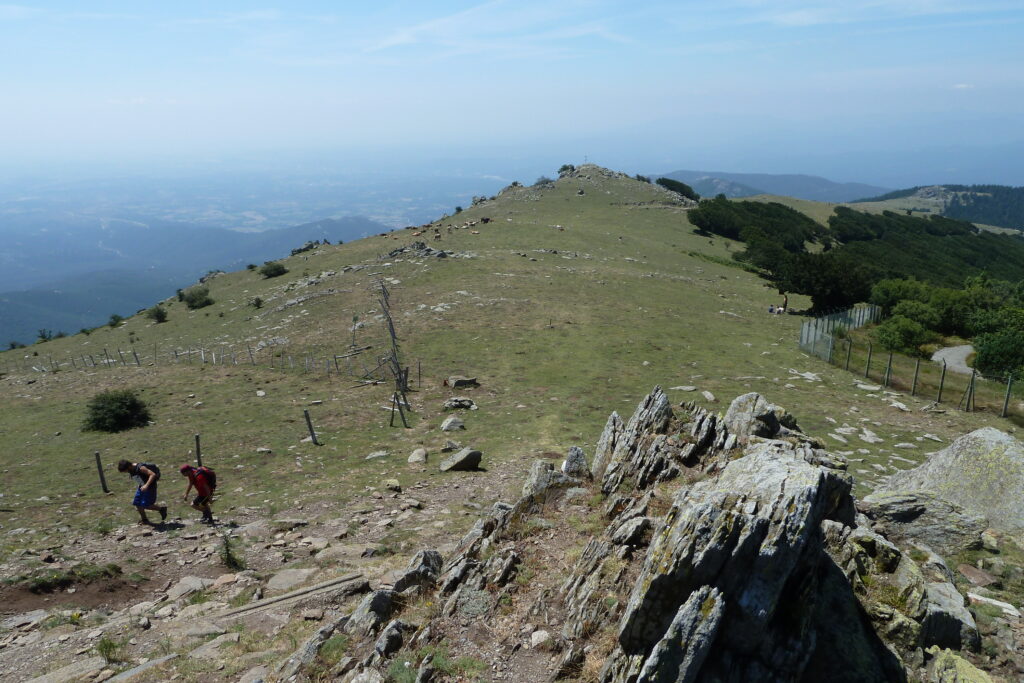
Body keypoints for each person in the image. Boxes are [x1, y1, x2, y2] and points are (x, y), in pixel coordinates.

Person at [117, 460, 167, 525]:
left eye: (125, 471)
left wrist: (146, 485)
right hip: (142, 486)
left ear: (128, 466)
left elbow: (152, 474)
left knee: (146, 505)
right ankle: (144, 520)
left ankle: (161, 509)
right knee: (137, 503)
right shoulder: (131, 469)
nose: (125, 472)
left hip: (150, 487)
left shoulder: (141, 468)